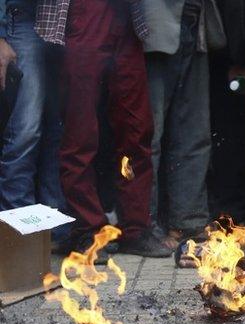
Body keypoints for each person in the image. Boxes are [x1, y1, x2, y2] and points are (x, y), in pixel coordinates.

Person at [36, 0, 171, 260]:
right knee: (80, 133)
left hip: (125, 17)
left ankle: (135, 228)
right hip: (81, 13)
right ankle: (87, 230)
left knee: (137, 129)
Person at [143, 0, 223, 249]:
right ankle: (146, 227)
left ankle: (188, 221)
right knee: (149, 134)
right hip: (154, 27)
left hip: (193, 21)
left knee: (194, 132)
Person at [0, 1, 69, 243]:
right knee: (24, 132)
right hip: (20, 21)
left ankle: (52, 232)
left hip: (59, 24)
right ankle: (19, 237)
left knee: (55, 131)